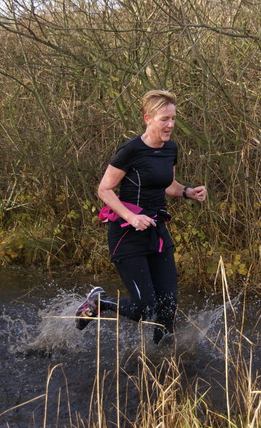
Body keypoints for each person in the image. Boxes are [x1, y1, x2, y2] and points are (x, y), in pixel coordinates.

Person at [75, 90, 207, 344]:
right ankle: (101, 301)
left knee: (168, 307)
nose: (170, 125)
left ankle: (162, 364)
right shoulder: (131, 150)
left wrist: (188, 192)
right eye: (164, 119)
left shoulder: (170, 149)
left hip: (156, 232)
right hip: (127, 234)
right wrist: (132, 217)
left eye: (173, 118)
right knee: (146, 308)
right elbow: (104, 189)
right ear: (148, 118)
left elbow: (167, 184)